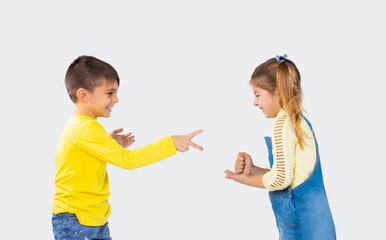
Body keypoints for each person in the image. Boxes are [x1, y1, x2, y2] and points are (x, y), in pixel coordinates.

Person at [52, 55, 204, 240]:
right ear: (84, 95)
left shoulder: (82, 127)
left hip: (93, 218)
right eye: (109, 93)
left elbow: (82, 159)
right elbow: (128, 161)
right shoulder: (86, 128)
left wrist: (109, 142)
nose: (116, 99)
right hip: (76, 219)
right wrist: (170, 143)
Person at [224, 54, 336, 239]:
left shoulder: (281, 124)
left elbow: (280, 181)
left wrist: (243, 180)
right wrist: (254, 170)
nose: (255, 102)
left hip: (301, 227)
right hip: (320, 227)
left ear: (277, 92)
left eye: (258, 95)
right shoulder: (299, 122)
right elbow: (292, 176)